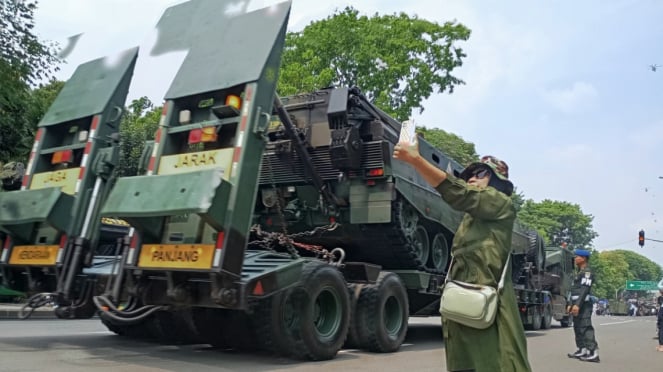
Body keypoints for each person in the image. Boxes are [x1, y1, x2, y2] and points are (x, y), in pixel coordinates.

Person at [393, 140, 531, 372]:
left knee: (497, 362)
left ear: (497, 181)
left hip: (486, 301)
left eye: (481, 173)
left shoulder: (500, 202)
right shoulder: (471, 217)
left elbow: (460, 194)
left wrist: (416, 160)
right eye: (469, 175)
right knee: (464, 363)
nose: (472, 178)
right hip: (463, 300)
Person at [566, 249, 600, 362]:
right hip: (576, 304)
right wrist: (570, 304)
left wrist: (577, 305)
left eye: (577, 257)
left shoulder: (587, 272)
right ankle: (582, 349)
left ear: (584, 258)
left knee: (585, 327)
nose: (575, 258)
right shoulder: (579, 272)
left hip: (584, 304)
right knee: (577, 327)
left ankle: (593, 352)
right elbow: (573, 290)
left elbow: (584, 290)